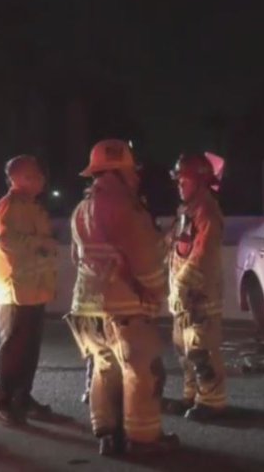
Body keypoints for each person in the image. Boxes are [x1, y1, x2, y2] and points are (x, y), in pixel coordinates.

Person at [67, 139, 179, 456]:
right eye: (131, 171)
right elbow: (145, 261)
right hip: (126, 308)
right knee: (142, 372)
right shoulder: (128, 210)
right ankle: (143, 439)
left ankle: (107, 434)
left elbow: (78, 258)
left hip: (87, 309)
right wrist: (158, 292)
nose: (136, 177)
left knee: (105, 370)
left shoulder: (81, 210)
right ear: (119, 172)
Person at [0, 155, 59, 426]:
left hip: (33, 289)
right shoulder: (10, 206)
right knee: (14, 348)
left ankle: (22, 397)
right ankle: (2, 401)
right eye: (32, 174)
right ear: (16, 178)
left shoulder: (32, 206)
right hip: (15, 290)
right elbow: (5, 240)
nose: (39, 179)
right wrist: (40, 244)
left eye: (39, 174)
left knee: (29, 349)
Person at [164, 153, 227, 421]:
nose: (179, 185)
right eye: (178, 180)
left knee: (202, 349)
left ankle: (211, 401)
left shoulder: (207, 213)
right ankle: (191, 395)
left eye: (184, 180)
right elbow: (173, 247)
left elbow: (201, 255)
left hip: (200, 297)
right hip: (184, 297)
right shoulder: (186, 211)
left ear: (200, 182)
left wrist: (180, 284)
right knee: (183, 348)